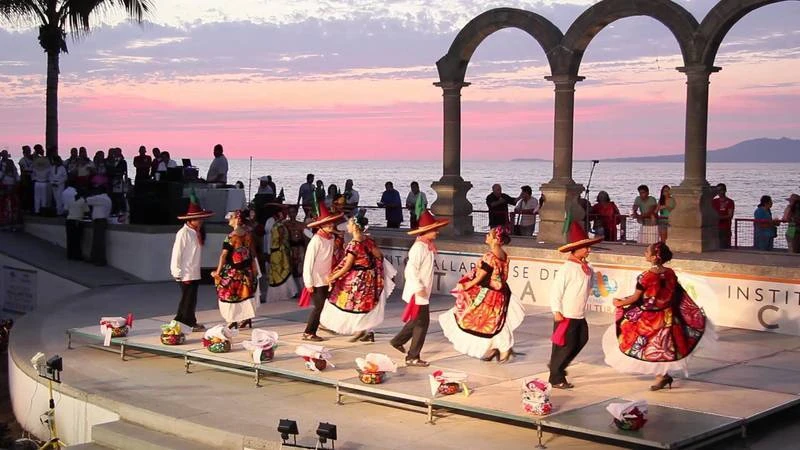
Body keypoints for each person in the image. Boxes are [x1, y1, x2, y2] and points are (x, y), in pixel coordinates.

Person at [602, 242, 711, 391]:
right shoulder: (670, 273)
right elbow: (675, 293)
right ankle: (662, 376)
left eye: (647, 252)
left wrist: (619, 302)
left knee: (648, 344)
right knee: (664, 345)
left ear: (654, 257)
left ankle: (662, 376)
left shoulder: (646, 277)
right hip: (667, 315)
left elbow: (636, 298)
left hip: (651, 317)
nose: (644, 254)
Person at [439, 225, 524, 363]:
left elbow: (480, 277)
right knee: (496, 323)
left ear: (496, 239)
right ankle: (494, 348)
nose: (486, 237)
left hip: (489, 295)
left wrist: (467, 285)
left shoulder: (489, 256)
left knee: (470, 318)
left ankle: (504, 348)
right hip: (501, 294)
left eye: (489, 235)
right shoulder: (504, 255)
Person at [320, 209, 396, 341]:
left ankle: (357, 329)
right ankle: (365, 331)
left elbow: (347, 265)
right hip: (368, 277)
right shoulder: (368, 241)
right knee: (365, 304)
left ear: (355, 227)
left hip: (357, 278)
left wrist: (334, 276)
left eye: (349, 224)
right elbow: (379, 255)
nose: (347, 226)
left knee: (344, 301)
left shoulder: (353, 245)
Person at [390, 210, 449, 367]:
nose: (437, 232)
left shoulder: (426, 246)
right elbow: (410, 270)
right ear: (426, 231)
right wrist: (418, 288)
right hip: (418, 292)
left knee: (417, 321)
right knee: (422, 322)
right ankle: (412, 356)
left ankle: (398, 341)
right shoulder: (418, 248)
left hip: (421, 291)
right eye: (434, 229)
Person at [548, 222, 602, 389]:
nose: (588, 250)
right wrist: (556, 311)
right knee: (564, 345)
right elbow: (556, 291)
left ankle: (558, 368)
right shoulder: (567, 268)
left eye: (588, 247)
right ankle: (556, 376)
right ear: (576, 249)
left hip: (579, 313)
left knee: (581, 339)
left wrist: (592, 275)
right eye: (585, 247)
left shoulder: (587, 268)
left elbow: (592, 286)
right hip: (566, 313)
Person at [170, 194, 214, 332]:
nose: (201, 221)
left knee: (191, 299)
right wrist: (177, 272)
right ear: (191, 219)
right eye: (198, 219)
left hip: (193, 271)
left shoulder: (196, 232)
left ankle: (190, 321)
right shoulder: (183, 233)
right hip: (185, 272)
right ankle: (181, 322)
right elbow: (177, 254)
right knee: (187, 299)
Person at [301, 203, 344, 341]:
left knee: (326, 304)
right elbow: (308, 262)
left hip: (326, 278)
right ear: (321, 226)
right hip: (316, 279)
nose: (331, 225)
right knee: (319, 306)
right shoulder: (316, 240)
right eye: (328, 224)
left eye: (331, 223)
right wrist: (308, 282)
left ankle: (323, 324)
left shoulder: (330, 238)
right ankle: (309, 332)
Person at [212, 210, 259, 330]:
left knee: (228, 294)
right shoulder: (248, 234)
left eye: (231, 217)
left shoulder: (231, 237)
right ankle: (246, 318)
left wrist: (217, 272)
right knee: (245, 294)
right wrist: (254, 269)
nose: (229, 220)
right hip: (246, 269)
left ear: (237, 219)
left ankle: (232, 319)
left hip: (233, 271)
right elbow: (252, 253)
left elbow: (223, 255)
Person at [265, 206, 299, 302]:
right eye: (283, 213)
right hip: (280, 252)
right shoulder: (279, 226)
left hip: (277, 252)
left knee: (278, 272)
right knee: (283, 270)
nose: (285, 215)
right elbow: (280, 241)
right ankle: (285, 293)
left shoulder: (278, 225)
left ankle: (282, 293)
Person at [285, 205, 308, 293]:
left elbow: (305, 239)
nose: (292, 214)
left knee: (300, 268)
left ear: (296, 213)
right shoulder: (285, 224)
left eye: (293, 212)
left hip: (300, 248)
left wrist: (306, 250)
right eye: (290, 212)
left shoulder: (301, 225)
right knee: (291, 268)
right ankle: (293, 290)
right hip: (290, 248)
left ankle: (302, 289)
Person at [86, 187, 111, 266]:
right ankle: (95, 258)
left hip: (100, 221)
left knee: (99, 241)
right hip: (100, 221)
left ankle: (101, 260)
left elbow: (88, 200)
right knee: (96, 241)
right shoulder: (106, 199)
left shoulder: (101, 198)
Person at [63, 183, 87, 260]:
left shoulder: (70, 200)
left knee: (70, 239)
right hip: (77, 221)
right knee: (77, 239)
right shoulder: (83, 201)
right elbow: (87, 211)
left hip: (69, 220)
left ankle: (70, 255)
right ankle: (77, 255)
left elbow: (66, 211)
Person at [0, 150, 21, 230]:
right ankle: (4, 222)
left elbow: (16, 173)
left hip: (12, 186)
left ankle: (12, 222)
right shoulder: (1, 164)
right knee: (4, 204)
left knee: (12, 204)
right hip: (4, 186)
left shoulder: (11, 163)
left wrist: (17, 181)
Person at [711, 183, 734, 249]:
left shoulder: (730, 202)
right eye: (717, 190)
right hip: (714, 228)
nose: (719, 192)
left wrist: (718, 218)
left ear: (725, 190)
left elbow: (730, 215)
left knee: (725, 247)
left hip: (725, 228)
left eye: (721, 190)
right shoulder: (714, 201)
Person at [107, 148, 128, 216]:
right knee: (112, 196)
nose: (115, 153)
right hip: (111, 180)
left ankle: (122, 210)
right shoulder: (111, 161)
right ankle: (114, 210)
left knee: (119, 196)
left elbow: (125, 172)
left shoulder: (123, 161)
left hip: (118, 180)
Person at [17, 145, 34, 212]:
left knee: (30, 194)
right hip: (25, 178)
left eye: (29, 150)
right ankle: (24, 208)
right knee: (25, 194)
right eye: (28, 151)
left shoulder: (32, 159)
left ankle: (29, 208)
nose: (29, 152)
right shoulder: (22, 160)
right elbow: (24, 170)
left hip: (31, 178)